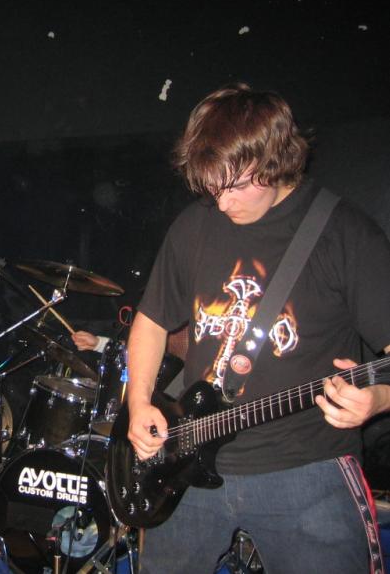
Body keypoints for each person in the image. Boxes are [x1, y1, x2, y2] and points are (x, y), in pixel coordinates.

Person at [125, 83, 390, 573]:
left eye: (236, 186)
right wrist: (138, 401)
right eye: (212, 187)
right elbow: (151, 320)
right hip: (188, 466)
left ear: (276, 162)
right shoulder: (194, 225)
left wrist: (380, 398)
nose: (222, 202)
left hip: (307, 471)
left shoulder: (343, 232)